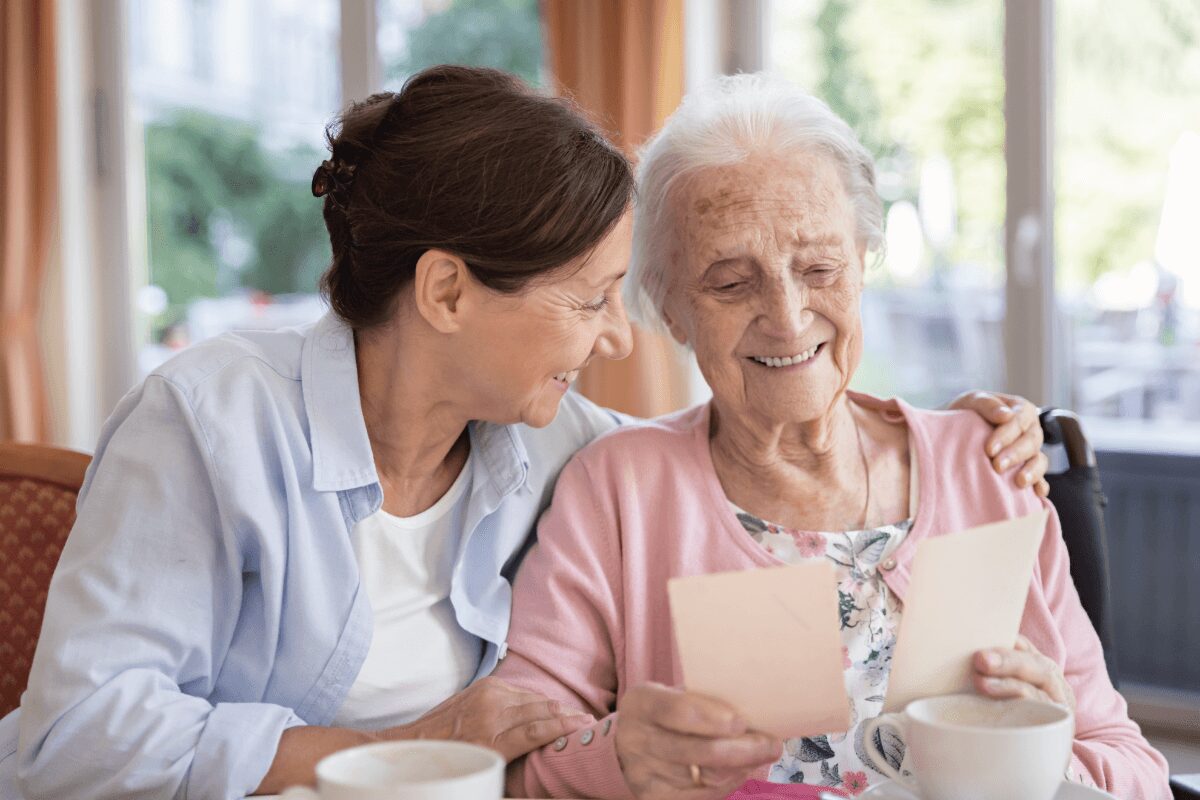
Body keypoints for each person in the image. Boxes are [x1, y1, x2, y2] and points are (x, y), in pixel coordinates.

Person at [0, 66, 1049, 800]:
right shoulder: (209, 420)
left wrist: (943, 436)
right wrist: (402, 745)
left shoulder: (557, 441)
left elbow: (721, 441)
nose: (612, 335)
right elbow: (69, 739)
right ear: (448, 291)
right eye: (588, 300)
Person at [496, 74, 1171, 800]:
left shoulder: (992, 466)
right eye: (730, 283)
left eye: (819, 268)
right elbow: (517, 762)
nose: (786, 318)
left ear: (862, 263)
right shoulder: (617, 491)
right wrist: (620, 759)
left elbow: (1137, 773)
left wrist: (1049, 748)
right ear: (669, 307)